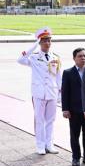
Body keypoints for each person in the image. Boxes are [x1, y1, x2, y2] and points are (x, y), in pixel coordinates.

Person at [17, 27, 61, 155]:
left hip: (51, 93)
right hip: (39, 93)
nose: (47, 43)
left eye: (49, 40)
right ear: (40, 42)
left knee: (51, 120)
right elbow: (20, 59)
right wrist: (34, 45)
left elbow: (58, 76)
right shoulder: (34, 57)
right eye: (44, 40)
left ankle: (49, 144)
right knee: (40, 120)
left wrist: (60, 93)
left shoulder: (55, 57)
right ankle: (40, 145)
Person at [61, 48, 85, 166]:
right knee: (75, 135)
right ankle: (75, 157)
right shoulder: (68, 72)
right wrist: (65, 109)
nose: (83, 58)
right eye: (80, 56)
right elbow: (65, 92)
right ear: (74, 58)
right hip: (74, 110)